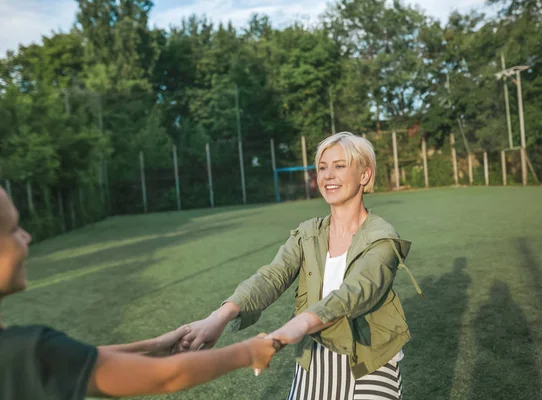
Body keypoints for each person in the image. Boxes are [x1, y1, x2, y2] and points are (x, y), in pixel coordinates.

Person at [177, 132, 423, 399]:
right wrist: (219, 317)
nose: (328, 175)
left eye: (339, 166)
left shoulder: (382, 237)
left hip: (369, 360)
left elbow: (352, 295)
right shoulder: (308, 233)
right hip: (313, 359)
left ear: (364, 175)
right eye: (322, 167)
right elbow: (271, 277)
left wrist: (286, 332)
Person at [0, 187, 279, 399]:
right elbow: (165, 378)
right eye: (13, 229)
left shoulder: (22, 350)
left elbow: (78, 359)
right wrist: (246, 352)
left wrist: (156, 346)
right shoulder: (27, 349)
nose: (27, 237)